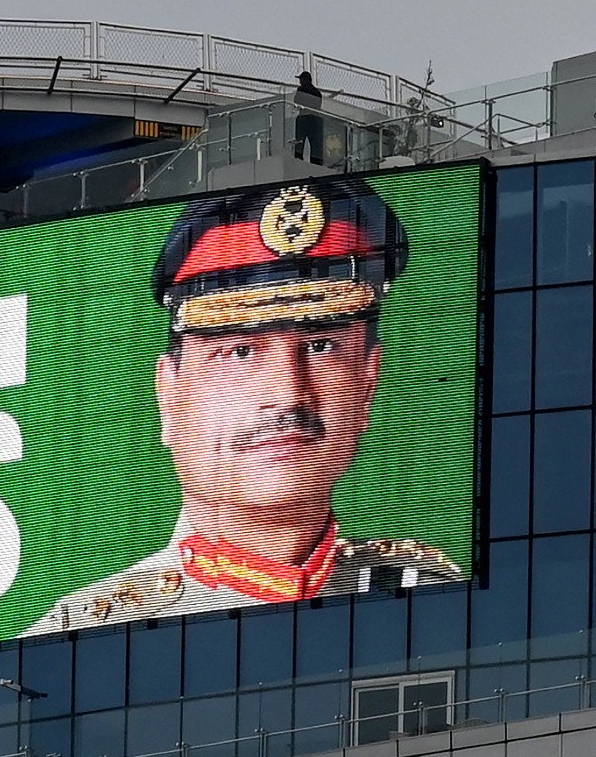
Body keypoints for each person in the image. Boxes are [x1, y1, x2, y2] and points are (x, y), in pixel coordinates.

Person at [24, 179, 460, 636]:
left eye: (320, 346)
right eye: (240, 353)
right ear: (171, 391)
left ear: (367, 379)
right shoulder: (89, 636)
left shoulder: (432, 601)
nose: (288, 392)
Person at [293, 71, 327, 165]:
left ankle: (298, 160)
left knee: (300, 141)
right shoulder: (317, 93)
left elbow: (296, 101)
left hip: (304, 118)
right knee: (315, 144)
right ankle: (316, 163)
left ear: (305, 80)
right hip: (315, 119)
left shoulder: (301, 90)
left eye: (301, 79)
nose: (300, 81)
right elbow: (318, 106)